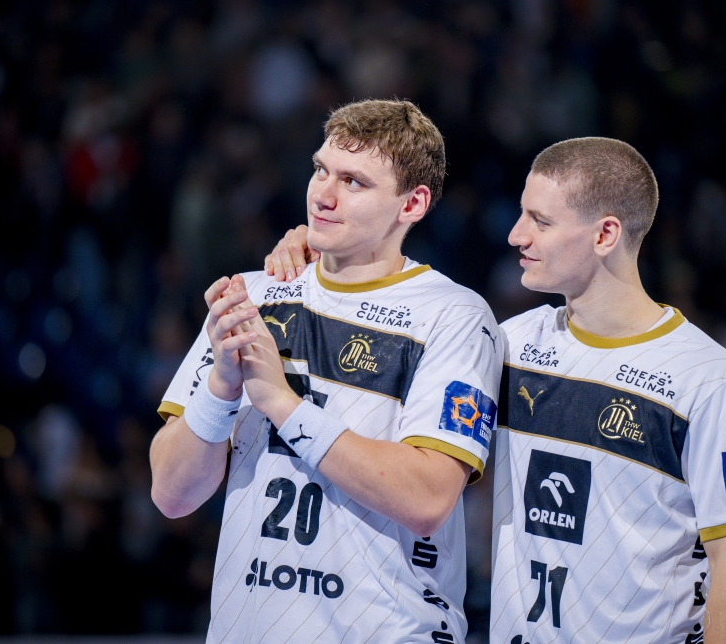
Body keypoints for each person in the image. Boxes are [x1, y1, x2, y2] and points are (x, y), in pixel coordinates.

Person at [266, 136, 726, 643]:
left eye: (540, 221)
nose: (516, 235)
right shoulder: (508, 345)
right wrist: (325, 254)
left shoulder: (708, 380)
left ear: (605, 235)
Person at [150, 99, 502, 644]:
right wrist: (221, 387)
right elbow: (172, 495)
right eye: (321, 170)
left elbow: (427, 498)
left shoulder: (453, 315)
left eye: (354, 182)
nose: (324, 195)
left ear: (412, 203)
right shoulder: (254, 295)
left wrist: (282, 404)